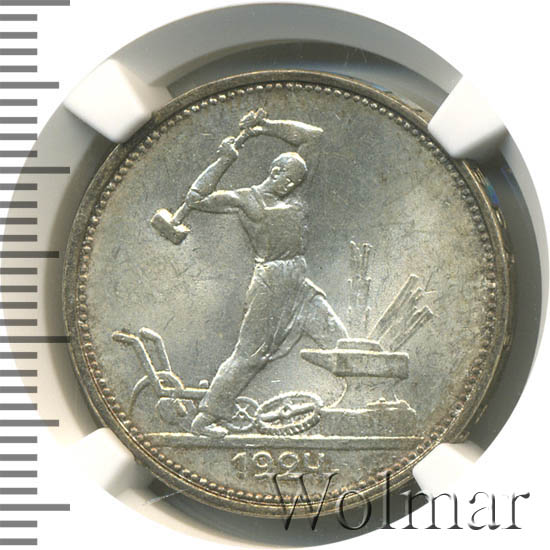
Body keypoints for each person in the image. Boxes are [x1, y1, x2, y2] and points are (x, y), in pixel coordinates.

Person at [187, 109, 348, 437]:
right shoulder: (247, 199)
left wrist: (265, 127)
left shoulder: (297, 196)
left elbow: (313, 136)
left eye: (297, 181)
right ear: (275, 171)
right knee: (250, 355)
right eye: (288, 178)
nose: (293, 184)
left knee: (340, 341)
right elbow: (196, 198)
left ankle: (354, 406)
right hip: (271, 284)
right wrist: (223, 160)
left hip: (299, 283)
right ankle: (205, 418)